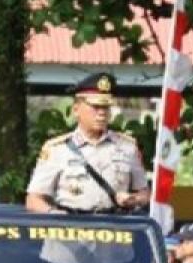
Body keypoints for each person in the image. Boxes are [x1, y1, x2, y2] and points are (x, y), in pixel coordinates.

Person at [25, 73, 151, 215]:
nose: (102, 113)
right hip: (72, 227)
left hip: (115, 228)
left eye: (106, 107)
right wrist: (53, 213)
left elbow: (145, 193)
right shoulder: (57, 149)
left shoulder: (127, 147)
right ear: (76, 110)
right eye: (95, 107)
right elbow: (33, 199)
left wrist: (134, 199)